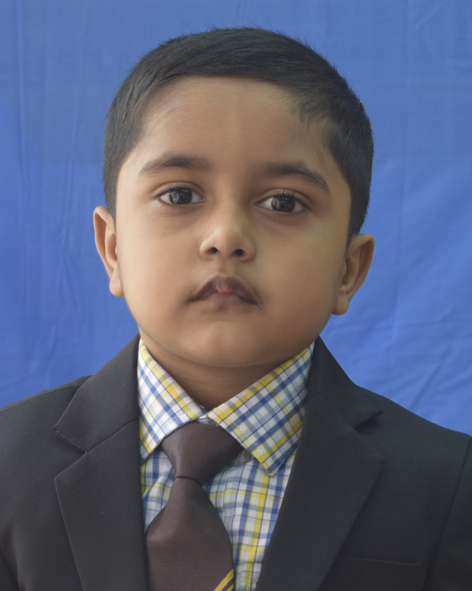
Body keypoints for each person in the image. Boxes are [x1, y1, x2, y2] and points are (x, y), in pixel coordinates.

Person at [0, 27, 471, 591]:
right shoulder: (8, 464)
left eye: (284, 202)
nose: (226, 236)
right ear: (113, 249)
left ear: (349, 270)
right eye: (180, 194)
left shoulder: (449, 486)